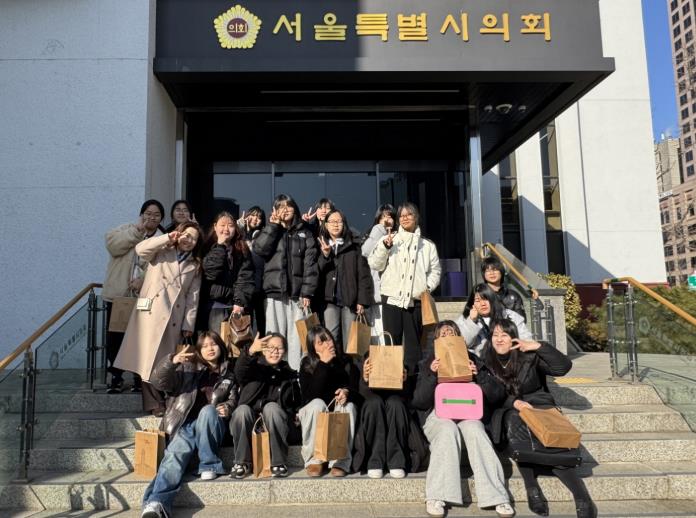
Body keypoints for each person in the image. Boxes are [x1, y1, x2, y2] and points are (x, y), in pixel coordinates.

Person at [485, 318, 596, 518]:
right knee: (516, 424)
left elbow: (562, 368)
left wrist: (538, 346)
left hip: (539, 406)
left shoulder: (529, 356)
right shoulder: (486, 362)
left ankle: (582, 498)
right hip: (507, 410)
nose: (499, 339)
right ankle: (532, 488)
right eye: (495, 335)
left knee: (557, 450)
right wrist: (514, 403)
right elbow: (488, 393)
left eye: (504, 335)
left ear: (513, 338)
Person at [411, 321, 515, 518]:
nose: (448, 336)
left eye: (452, 332)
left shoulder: (473, 359)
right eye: (443, 334)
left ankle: (497, 496)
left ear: (460, 338)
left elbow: (497, 395)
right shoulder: (426, 362)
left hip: (468, 412)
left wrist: (479, 375)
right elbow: (419, 401)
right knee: (446, 429)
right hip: (438, 415)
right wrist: (432, 374)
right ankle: (437, 495)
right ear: (436, 340)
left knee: (476, 430)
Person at [141, 331, 237, 518]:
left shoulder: (229, 374)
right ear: (199, 350)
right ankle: (156, 503)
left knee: (207, 410)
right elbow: (158, 382)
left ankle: (209, 464)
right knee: (174, 454)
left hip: (211, 425)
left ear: (221, 346)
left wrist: (228, 407)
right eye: (205, 346)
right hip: (185, 426)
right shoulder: (187, 370)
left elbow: (234, 399)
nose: (210, 349)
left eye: (213, 344)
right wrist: (172, 361)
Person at [114, 221, 203, 416]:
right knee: (147, 359)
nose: (189, 240)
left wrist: (188, 323)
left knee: (164, 359)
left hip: (174, 317)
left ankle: (161, 399)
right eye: (187, 235)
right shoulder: (162, 251)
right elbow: (140, 249)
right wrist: (166, 237)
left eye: (194, 239)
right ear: (178, 234)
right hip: (150, 313)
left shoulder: (195, 265)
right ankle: (155, 403)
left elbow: (192, 296)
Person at [368, 202, 441, 374]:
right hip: (391, 298)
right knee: (391, 344)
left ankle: (414, 381)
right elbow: (375, 264)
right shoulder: (389, 239)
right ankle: (392, 380)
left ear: (416, 218)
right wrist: (385, 247)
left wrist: (426, 288)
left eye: (409, 215)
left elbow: (435, 271)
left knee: (414, 346)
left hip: (415, 301)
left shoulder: (427, 245)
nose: (405, 218)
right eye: (401, 215)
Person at [102, 199, 165, 394]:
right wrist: (137, 232)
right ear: (141, 215)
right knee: (115, 337)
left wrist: (143, 280)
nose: (151, 217)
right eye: (148, 213)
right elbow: (113, 246)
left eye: (156, 215)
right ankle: (116, 376)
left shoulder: (162, 239)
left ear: (161, 219)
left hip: (144, 298)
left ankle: (139, 378)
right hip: (118, 296)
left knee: (141, 337)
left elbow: (162, 268)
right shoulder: (126, 229)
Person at [253, 194, 318, 370]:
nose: (285, 209)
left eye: (289, 206)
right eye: (281, 206)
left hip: (298, 296)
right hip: (274, 294)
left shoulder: (305, 233)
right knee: (274, 336)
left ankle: (296, 375)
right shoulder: (270, 229)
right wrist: (273, 226)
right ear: (275, 210)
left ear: (295, 209)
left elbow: (310, 265)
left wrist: (307, 292)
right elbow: (260, 249)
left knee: (298, 339)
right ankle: (273, 374)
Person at [229, 332, 300, 479]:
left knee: (272, 407)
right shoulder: (254, 367)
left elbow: (296, 401)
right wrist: (250, 351)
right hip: (250, 420)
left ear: (285, 352)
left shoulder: (289, 374)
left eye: (279, 348)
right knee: (242, 410)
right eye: (270, 347)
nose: (275, 351)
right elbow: (239, 370)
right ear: (263, 349)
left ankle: (278, 462)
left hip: (276, 420)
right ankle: (242, 462)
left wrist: (298, 413)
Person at [298, 326, 360, 477]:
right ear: (313, 348)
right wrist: (323, 364)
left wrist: (346, 392)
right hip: (315, 413)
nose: (327, 344)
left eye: (328, 339)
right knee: (317, 404)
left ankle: (340, 461)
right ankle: (314, 460)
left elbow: (355, 389)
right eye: (321, 342)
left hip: (337, 413)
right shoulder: (307, 363)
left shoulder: (344, 361)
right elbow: (309, 396)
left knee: (348, 405)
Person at [316, 209, 373, 348]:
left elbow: (363, 275)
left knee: (351, 341)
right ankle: (333, 363)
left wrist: (362, 301)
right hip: (329, 301)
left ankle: (351, 363)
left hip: (350, 300)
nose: (336, 225)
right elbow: (316, 271)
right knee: (331, 339)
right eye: (332, 222)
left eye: (339, 221)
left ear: (344, 224)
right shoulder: (320, 244)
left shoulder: (354, 246)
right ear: (326, 225)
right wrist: (325, 255)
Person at [354, 348, 410, 479]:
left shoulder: (399, 361)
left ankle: (396, 461)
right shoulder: (365, 362)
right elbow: (361, 398)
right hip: (373, 408)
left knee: (395, 403)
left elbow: (409, 398)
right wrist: (365, 379)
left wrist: (404, 381)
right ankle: (374, 461)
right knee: (374, 403)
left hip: (394, 405)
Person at [199, 212, 255, 334]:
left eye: (230, 225)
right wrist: (220, 246)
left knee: (236, 344)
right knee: (213, 343)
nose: (226, 229)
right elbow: (210, 273)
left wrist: (239, 302)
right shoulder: (206, 247)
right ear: (215, 227)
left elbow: (245, 277)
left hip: (235, 308)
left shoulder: (242, 248)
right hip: (211, 308)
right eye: (222, 225)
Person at [456, 283, 532, 356]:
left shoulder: (510, 316)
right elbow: (461, 345)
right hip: (479, 362)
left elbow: (526, 340)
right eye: (478, 300)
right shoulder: (464, 319)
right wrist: (471, 321)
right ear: (472, 303)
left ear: (492, 299)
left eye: (486, 299)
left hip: (509, 359)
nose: (483, 304)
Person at [361, 204, 397, 345]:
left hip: (393, 295)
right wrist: (380, 229)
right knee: (376, 337)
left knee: (390, 338)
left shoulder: (399, 236)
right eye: (383, 217)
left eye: (390, 216)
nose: (387, 220)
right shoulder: (372, 235)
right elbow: (365, 251)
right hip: (375, 294)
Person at [238, 206, 267, 335]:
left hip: (260, 286)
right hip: (244, 286)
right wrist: (239, 229)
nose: (255, 219)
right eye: (253, 215)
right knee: (245, 324)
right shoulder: (239, 234)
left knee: (262, 323)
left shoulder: (263, 235)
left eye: (259, 217)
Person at [481, 256, 526, 321]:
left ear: (501, 272)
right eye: (488, 271)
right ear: (484, 274)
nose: (491, 273)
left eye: (495, 270)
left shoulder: (513, 295)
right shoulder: (479, 294)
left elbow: (522, 321)